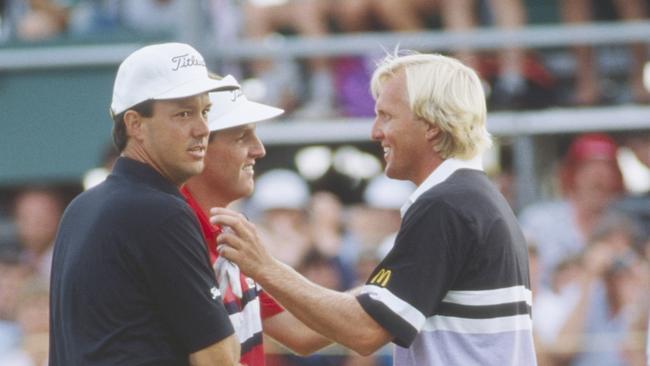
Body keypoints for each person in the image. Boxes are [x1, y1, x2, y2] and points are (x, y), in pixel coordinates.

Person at [212, 52, 536, 364]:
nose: (375, 131)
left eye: (387, 116)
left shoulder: (445, 205)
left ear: (431, 125)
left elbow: (364, 332)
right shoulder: (471, 198)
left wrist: (264, 265)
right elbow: (305, 334)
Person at [49, 42, 242, 365]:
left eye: (205, 112)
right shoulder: (160, 211)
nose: (203, 129)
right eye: (183, 113)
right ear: (135, 124)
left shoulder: (80, 208)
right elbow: (217, 358)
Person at [181, 76, 333, 365]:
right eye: (242, 137)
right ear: (199, 146)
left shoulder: (226, 230)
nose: (259, 149)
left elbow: (300, 331)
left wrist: (391, 292)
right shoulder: (176, 235)